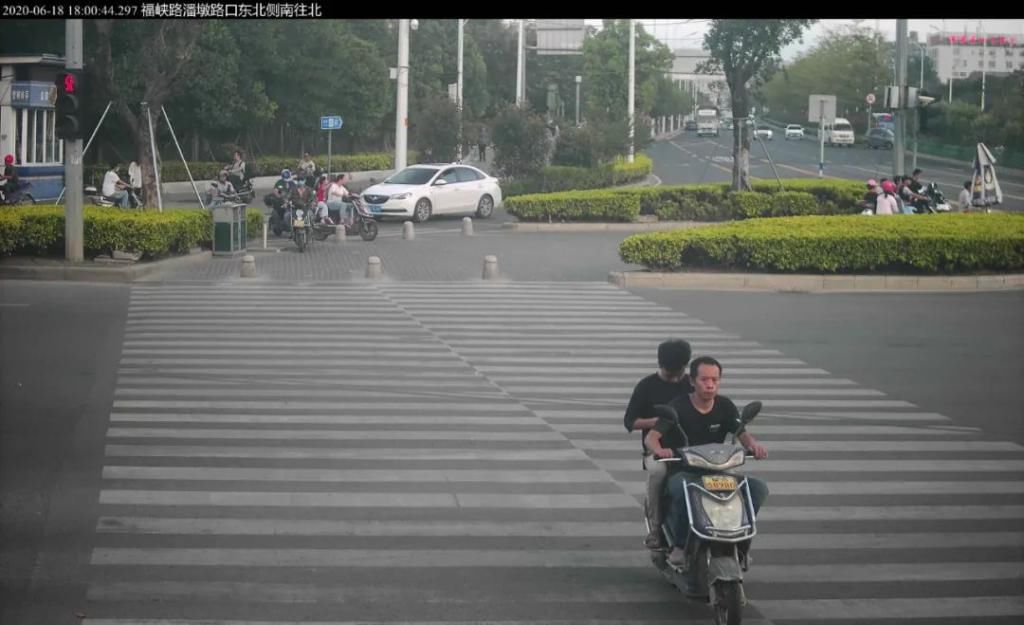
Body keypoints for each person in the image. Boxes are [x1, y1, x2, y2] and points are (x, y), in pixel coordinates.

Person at [645, 356, 769, 568]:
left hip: (717, 472)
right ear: (692, 381)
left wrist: (754, 446)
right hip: (684, 471)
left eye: (715, 379)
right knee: (683, 492)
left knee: (757, 489)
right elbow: (651, 438)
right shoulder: (677, 406)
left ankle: (741, 543)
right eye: (704, 379)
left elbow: (741, 433)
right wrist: (660, 450)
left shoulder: (725, 405)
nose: (710, 385)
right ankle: (678, 545)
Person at [623, 338, 694, 549]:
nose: (675, 379)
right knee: (658, 474)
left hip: (690, 448)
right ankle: (655, 529)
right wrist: (656, 422)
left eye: (679, 373)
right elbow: (630, 422)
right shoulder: (647, 386)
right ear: (660, 364)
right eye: (671, 373)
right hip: (657, 450)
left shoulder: (691, 383)